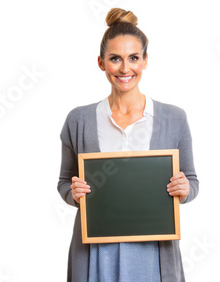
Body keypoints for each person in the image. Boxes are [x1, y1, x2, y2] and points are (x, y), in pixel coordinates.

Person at [57, 7, 199, 282]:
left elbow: (192, 181)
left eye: (134, 58)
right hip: (96, 252)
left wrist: (185, 188)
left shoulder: (174, 118)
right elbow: (64, 181)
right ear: (101, 62)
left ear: (145, 61)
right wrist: (73, 193)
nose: (125, 69)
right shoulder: (79, 120)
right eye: (115, 59)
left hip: (153, 253)